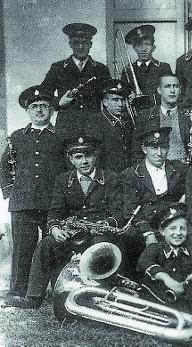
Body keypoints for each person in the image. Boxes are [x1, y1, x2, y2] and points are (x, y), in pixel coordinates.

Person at [7, 136, 121, 308]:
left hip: (98, 234)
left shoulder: (110, 178)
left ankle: (99, 298)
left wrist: (108, 223)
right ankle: (33, 297)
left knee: (100, 248)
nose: (84, 161)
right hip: (73, 234)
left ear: (95, 156)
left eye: (88, 156)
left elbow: (119, 211)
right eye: (78, 157)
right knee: (46, 244)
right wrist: (54, 229)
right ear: (71, 159)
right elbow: (55, 211)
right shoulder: (62, 180)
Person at [0, 86, 66, 306]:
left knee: (55, 246)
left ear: (52, 111)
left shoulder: (61, 137)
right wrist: (10, 192)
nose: (39, 110)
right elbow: (4, 165)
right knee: (22, 249)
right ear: (28, 110)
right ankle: (18, 292)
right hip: (23, 202)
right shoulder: (17, 137)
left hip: (52, 203)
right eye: (34, 106)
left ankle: (60, 290)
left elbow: (67, 170)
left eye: (44, 107)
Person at [118, 126, 188, 277]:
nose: (159, 153)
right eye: (153, 147)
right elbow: (130, 209)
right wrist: (148, 232)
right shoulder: (131, 174)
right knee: (129, 240)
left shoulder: (179, 169)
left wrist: (185, 198)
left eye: (163, 147)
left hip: (171, 223)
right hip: (145, 224)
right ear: (144, 149)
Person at [41, 23, 111, 140]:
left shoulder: (101, 69)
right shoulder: (58, 68)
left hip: (94, 127)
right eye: (76, 43)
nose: (80, 47)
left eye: (84, 42)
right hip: (67, 127)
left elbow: (108, 97)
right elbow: (43, 94)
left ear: (90, 44)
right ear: (70, 44)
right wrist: (59, 102)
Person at [131, 74, 192, 164]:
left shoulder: (191, 116)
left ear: (180, 90)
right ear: (159, 90)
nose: (172, 90)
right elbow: (136, 152)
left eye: (175, 86)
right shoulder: (146, 116)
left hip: (184, 170)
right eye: (167, 86)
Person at [84, 79, 135, 172]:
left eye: (123, 100)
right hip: (108, 177)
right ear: (105, 102)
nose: (120, 104)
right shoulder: (96, 122)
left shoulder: (128, 121)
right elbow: (94, 157)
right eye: (115, 100)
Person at [121, 24, 174, 109]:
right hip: (136, 116)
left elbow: (171, 93)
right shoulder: (128, 71)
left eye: (147, 44)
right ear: (134, 48)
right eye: (139, 45)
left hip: (158, 114)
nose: (143, 49)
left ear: (153, 47)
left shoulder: (164, 68)